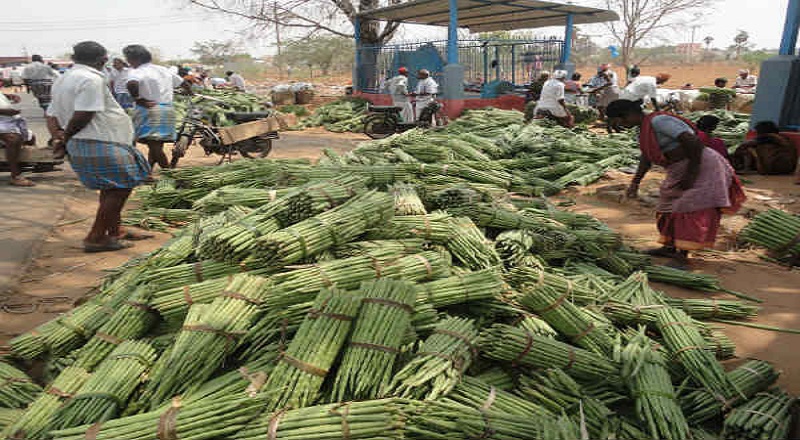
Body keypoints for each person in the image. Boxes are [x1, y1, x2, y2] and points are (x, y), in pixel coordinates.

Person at [606, 99, 745, 267]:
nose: (621, 124)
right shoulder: (643, 130)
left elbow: (692, 142)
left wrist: (692, 173)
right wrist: (635, 183)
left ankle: (682, 256)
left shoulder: (659, 122)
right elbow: (646, 157)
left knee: (688, 208)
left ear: (628, 114)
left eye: (620, 120)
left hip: (701, 165)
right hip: (678, 168)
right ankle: (670, 247)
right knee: (667, 206)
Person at [47, 41, 151, 252]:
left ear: (74, 58)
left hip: (92, 140)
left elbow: (50, 114)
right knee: (121, 187)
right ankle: (95, 237)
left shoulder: (62, 79)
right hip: (101, 140)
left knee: (110, 186)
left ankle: (115, 231)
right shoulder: (90, 79)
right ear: (103, 60)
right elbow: (85, 113)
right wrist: (65, 137)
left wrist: (59, 137)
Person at [124, 44, 183, 171]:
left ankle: (168, 172)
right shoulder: (163, 70)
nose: (128, 62)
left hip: (150, 109)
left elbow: (131, 83)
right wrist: (188, 92)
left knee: (153, 145)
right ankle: (148, 172)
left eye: (128, 59)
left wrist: (138, 99)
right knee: (156, 146)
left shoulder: (137, 71)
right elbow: (183, 83)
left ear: (135, 59)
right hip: (167, 109)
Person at [732, 121, 796, 175]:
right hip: (789, 169)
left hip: (775, 168)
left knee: (748, 149)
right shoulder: (783, 138)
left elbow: (745, 145)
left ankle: (746, 169)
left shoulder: (768, 136)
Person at [0, 92, 35, 186]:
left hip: (7, 120)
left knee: (30, 138)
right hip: (4, 120)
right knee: (13, 139)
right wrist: (5, 112)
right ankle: (15, 175)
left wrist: (7, 96)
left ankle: (21, 164)